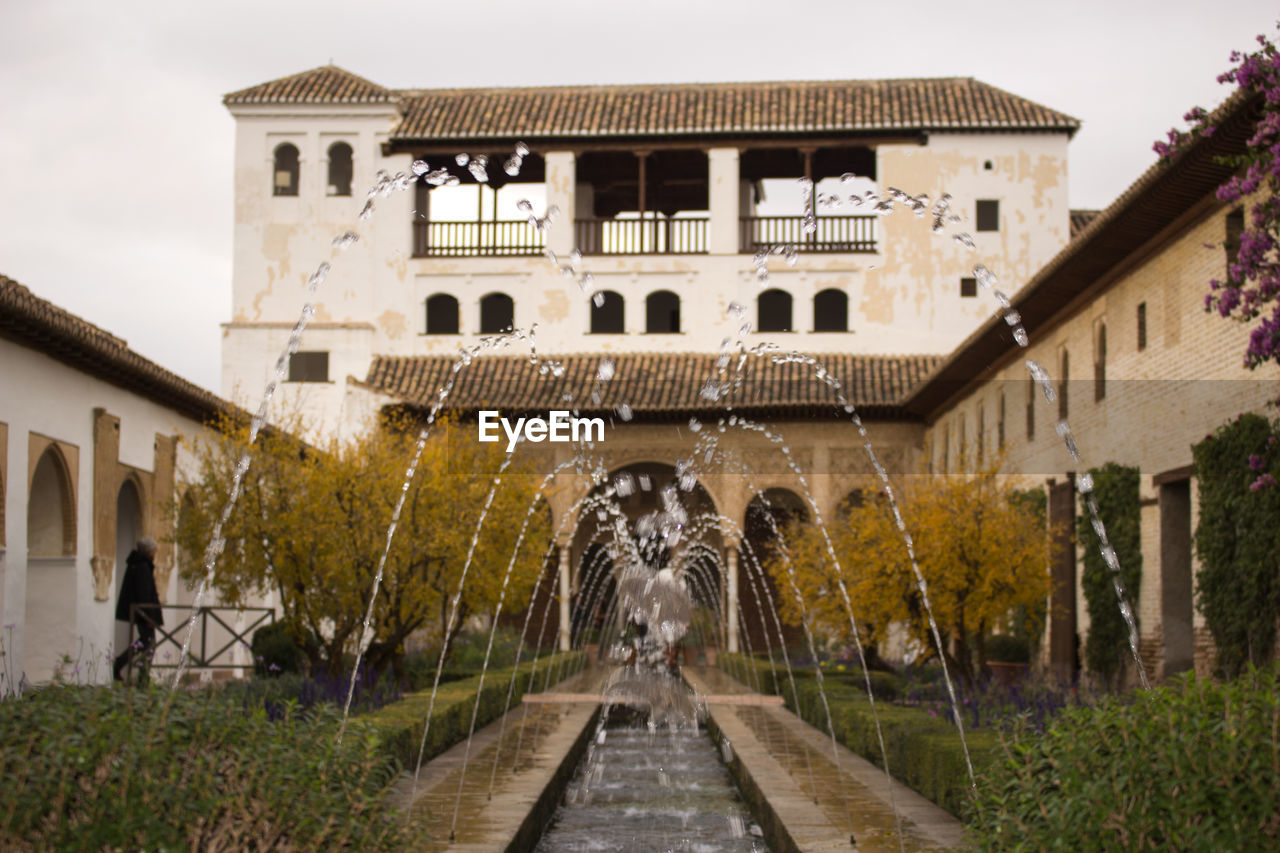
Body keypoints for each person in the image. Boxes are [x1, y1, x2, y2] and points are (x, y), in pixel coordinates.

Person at [113, 537, 163, 684]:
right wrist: (149, 617)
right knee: (150, 644)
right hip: (144, 613)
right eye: (154, 549)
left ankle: (121, 664)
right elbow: (144, 593)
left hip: (143, 612)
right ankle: (142, 675)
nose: (156, 551)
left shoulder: (139, 564)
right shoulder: (142, 566)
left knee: (144, 642)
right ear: (148, 551)